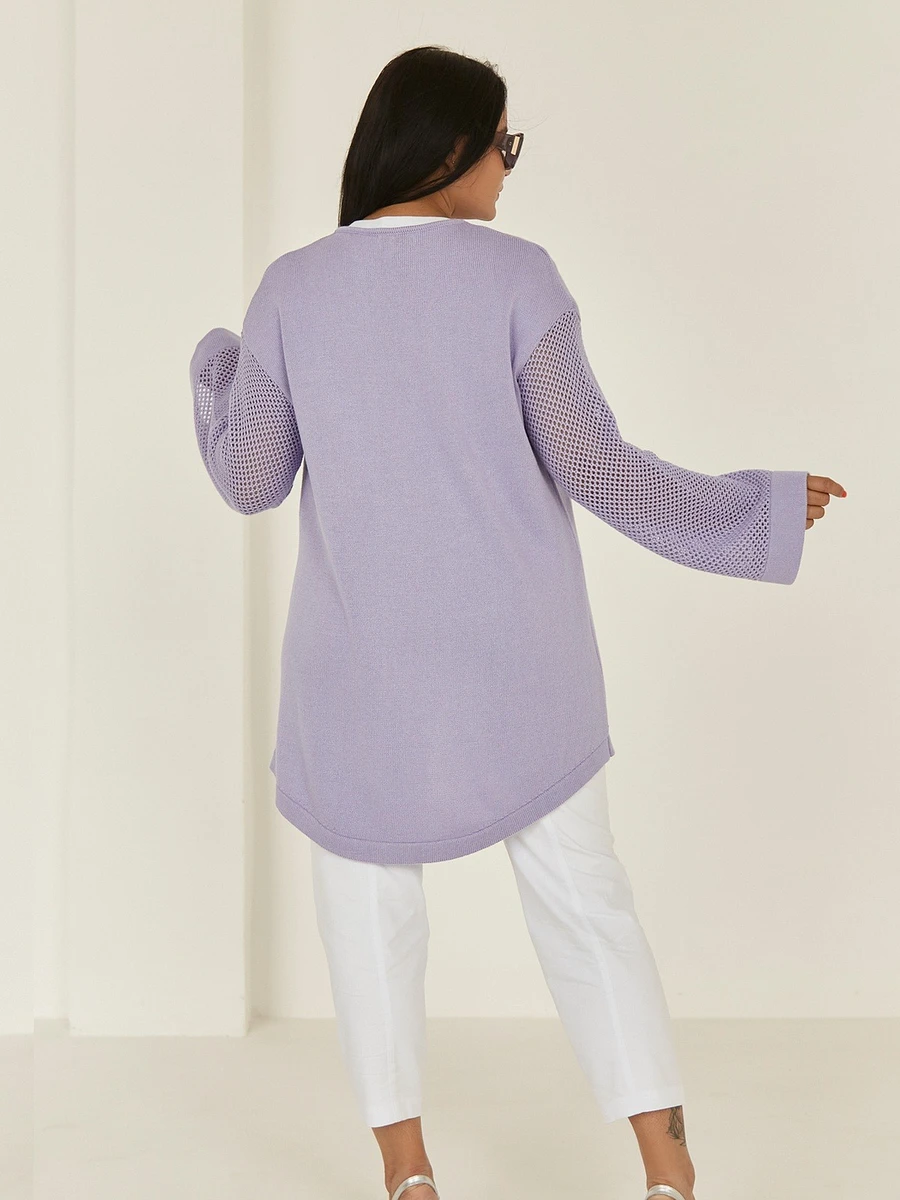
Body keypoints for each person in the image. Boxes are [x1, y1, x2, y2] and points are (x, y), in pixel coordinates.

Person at [189, 45, 846, 1200]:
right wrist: (757, 512)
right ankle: (667, 1171)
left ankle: (408, 1176)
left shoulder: (291, 290)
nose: (509, 167)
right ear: (447, 148)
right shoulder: (519, 277)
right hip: (522, 668)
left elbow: (250, 481)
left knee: (368, 916)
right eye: (504, 144)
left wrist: (217, 371)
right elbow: (602, 471)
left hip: (360, 674)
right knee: (587, 905)